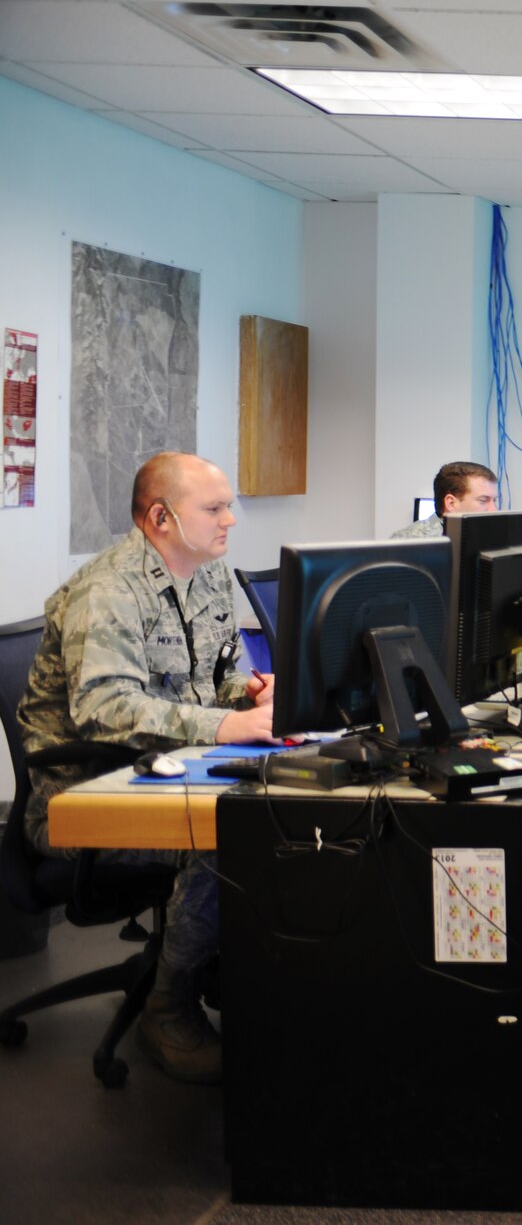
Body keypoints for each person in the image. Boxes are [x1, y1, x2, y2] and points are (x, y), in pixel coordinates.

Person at [15, 452, 276, 1084]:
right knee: (227, 840)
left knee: (283, 816)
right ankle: (168, 1007)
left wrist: (251, 694)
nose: (231, 520)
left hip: (168, 773)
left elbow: (219, 678)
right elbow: (106, 708)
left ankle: (249, 987)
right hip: (85, 801)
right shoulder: (108, 591)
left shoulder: (207, 575)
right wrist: (225, 724)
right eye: (214, 508)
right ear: (161, 517)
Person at [392, 460, 500, 537]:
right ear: (451, 503)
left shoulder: (488, 537)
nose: (494, 510)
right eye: (483, 500)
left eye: (494, 500)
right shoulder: (410, 544)